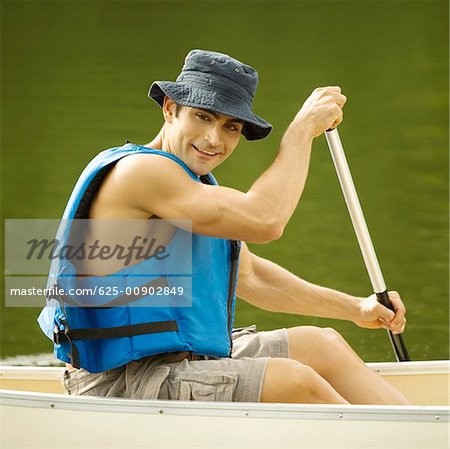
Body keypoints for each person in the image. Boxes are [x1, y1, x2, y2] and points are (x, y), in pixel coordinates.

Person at [38, 49, 410, 405]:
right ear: (171, 109)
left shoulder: (191, 188)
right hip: (122, 381)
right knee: (297, 382)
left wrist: (356, 308)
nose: (214, 139)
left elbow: (251, 278)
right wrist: (300, 131)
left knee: (322, 344)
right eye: (202, 117)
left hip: (180, 360)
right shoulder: (143, 173)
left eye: (230, 126)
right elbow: (266, 220)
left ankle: (418, 431)